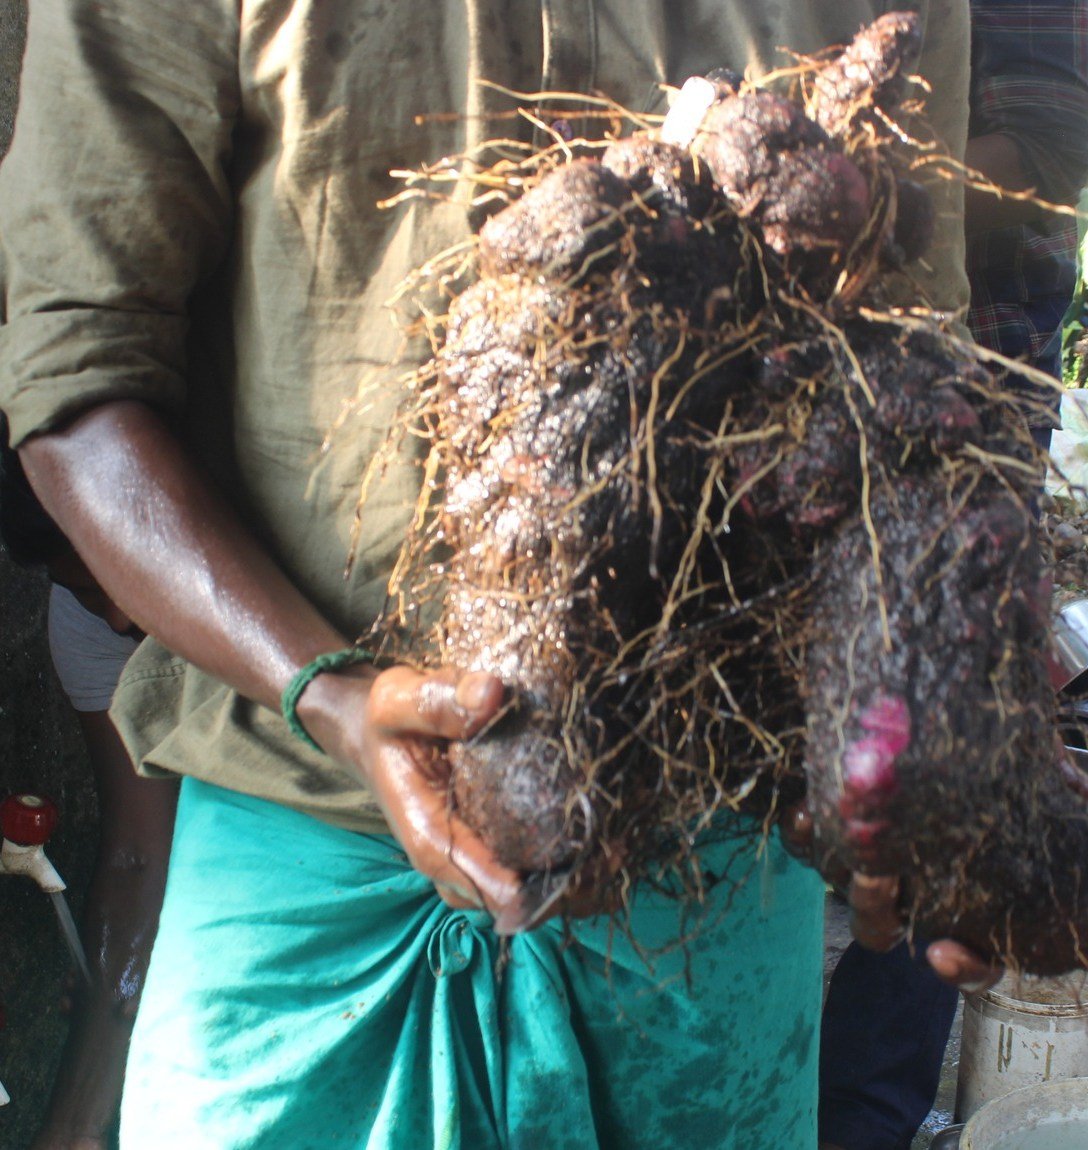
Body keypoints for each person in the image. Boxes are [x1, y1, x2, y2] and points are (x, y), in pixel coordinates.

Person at [0, 3, 987, 1147]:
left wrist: (920, 742)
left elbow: (908, 405)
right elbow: (75, 380)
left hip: (708, 904)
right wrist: (331, 693)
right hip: (304, 862)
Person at [818, 4, 1088, 1148]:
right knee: (796, 761)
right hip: (792, 397)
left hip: (963, 406)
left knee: (939, 779)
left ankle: (860, 1119)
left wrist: (847, 189)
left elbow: (1041, 161)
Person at [0, 435, 178, 1150]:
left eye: (117, 571)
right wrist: (72, 1131)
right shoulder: (88, 629)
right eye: (81, 588)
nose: (117, 618)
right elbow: (138, 855)